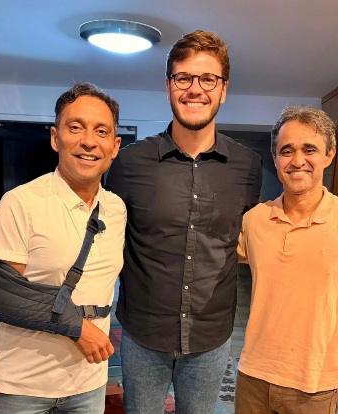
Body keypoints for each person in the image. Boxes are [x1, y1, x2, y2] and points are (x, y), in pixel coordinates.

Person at [105, 30, 262, 414]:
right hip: (143, 333)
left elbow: (244, 239)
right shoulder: (129, 164)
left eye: (208, 79)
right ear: (168, 86)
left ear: (223, 89)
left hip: (211, 335)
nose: (195, 89)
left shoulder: (247, 166)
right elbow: (108, 243)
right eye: (184, 78)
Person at [235, 105, 338, 413]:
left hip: (316, 385)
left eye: (309, 149)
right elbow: (212, 258)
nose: (297, 160)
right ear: (275, 159)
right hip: (253, 376)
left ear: (329, 155)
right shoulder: (255, 220)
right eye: (286, 151)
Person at [0, 82, 126, 414]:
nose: (89, 141)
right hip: (22, 386)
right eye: (75, 127)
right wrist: (76, 326)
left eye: (101, 131)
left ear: (115, 146)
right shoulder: (20, 203)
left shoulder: (117, 210)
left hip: (89, 383)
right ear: (55, 137)